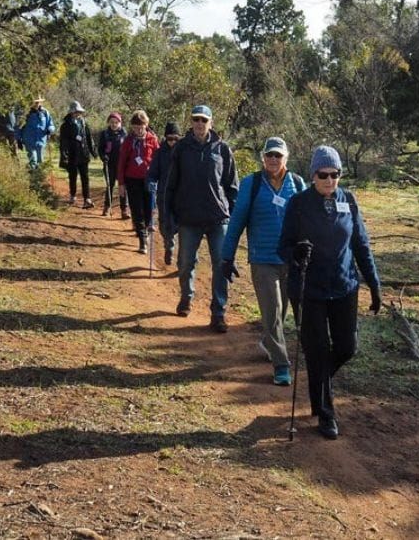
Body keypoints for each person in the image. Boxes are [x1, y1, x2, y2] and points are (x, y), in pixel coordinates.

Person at [277, 146, 381, 440]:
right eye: (323, 174)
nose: (329, 180)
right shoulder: (298, 204)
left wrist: (374, 284)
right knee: (318, 350)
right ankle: (326, 413)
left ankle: (318, 384)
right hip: (309, 289)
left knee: (347, 347)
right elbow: (282, 247)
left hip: (344, 286)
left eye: (335, 174)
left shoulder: (348, 199)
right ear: (313, 175)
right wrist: (296, 252)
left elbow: (360, 244)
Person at [220, 137, 306, 386]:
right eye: (269, 155)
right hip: (263, 259)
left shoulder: (298, 184)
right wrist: (227, 256)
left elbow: (308, 220)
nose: (273, 159)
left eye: (278, 156)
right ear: (263, 157)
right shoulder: (252, 184)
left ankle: (270, 341)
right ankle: (281, 365)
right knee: (272, 312)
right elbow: (236, 221)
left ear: (286, 158)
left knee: (282, 311)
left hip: (292, 260)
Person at [162, 105, 238, 333]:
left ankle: (218, 313)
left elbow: (232, 186)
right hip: (189, 218)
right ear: (191, 121)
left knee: (221, 265)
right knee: (185, 263)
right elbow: (171, 185)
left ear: (211, 123)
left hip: (218, 218)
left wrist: (233, 217)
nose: (199, 123)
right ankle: (186, 297)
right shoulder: (182, 149)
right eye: (196, 119)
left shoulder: (223, 149)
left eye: (204, 119)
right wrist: (169, 217)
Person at [116, 110, 159, 253]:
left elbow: (158, 160)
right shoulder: (128, 141)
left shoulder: (153, 139)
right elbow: (121, 162)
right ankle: (142, 240)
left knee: (148, 210)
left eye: (141, 127)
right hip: (132, 179)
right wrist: (121, 183)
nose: (138, 130)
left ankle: (144, 228)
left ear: (146, 125)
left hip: (148, 179)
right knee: (137, 209)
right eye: (135, 127)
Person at [147, 121, 181, 266]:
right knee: (164, 224)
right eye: (169, 138)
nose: (172, 141)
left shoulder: (185, 152)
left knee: (182, 227)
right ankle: (169, 245)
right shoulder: (160, 153)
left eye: (175, 138)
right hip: (164, 194)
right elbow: (152, 172)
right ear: (165, 138)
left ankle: (183, 260)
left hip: (182, 195)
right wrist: (150, 182)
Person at [59, 101, 96, 208]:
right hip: (72, 154)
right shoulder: (65, 125)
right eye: (76, 112)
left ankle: (87, 199)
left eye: (79, 112)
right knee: (73, 176)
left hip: (83, 154)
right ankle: (73, 194)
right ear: (71, 112)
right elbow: (63, 142)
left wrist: (93, 151)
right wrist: (64, 155)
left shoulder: (84, 123)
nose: (78, 114)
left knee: (85, 177)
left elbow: (88, 137)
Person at [97, 112, 128, 218]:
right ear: (108, 123)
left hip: (122, 166)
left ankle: (124, 210)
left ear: (120, 123)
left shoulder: (124, 134)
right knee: (109, 186)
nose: (114, 124)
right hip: (109, 164)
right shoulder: (104, 134)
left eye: (116, 122)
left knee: (122, 187)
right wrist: (103, 157)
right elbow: (100, 149)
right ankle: (106, 207)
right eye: (112, 122)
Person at [19, 97, 55, 169]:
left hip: (41, 141)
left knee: (40, 161)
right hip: (29, 141)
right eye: (36, 102)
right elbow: (19, 127)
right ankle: (32, 176)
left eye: (39, 102)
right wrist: (18, 139)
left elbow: (51, 124)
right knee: (33, 160)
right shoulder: (26, 113)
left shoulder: (45, 112)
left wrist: (50, 130)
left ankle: (39, 177)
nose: (38, 104)